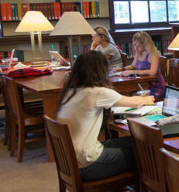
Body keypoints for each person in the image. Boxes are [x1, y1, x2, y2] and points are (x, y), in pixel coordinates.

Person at [55, 51, 153, 180]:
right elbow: (134, 102)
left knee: (136, 142)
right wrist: (148, 99)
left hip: (72, 160)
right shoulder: (97, 92)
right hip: (88, 163)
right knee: (146, 154)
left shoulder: (70, 91)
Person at [119, 31, 166, 99]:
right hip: (141, 84)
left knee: (129, 97)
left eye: (138, 46)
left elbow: (153, 72)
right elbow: (132, 66)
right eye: (134, 45)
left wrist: (133, 72)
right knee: (123, 93)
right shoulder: (138, 53)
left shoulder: (153, 54)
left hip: (154, 87)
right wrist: (121, 69)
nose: (135, 48)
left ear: (146, 45)